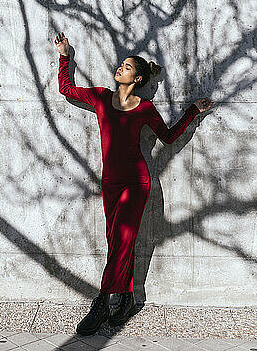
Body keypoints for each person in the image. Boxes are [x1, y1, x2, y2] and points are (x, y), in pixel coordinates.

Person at [54, 31, 212, 336]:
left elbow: (166, 137)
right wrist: (65, 56)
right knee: (117, 242)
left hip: (136, 184)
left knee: (121, 242)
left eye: (126, 68)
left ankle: (102, 303)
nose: (119, 69)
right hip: (110, 183)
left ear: (137, 79)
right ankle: (126, 298)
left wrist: (192, 112)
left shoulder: (144, 109)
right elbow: (67, 90)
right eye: (121, 66)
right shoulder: (101, 97)